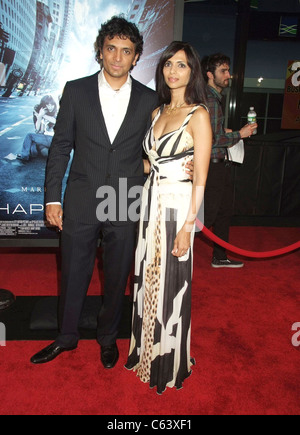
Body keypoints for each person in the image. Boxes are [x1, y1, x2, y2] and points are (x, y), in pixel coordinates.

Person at [30, 17, 192, 368]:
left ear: (136, 58)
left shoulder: (151, 99)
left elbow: (159, 148)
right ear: (100, 52)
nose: (118, 57)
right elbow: (60, 147)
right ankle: (66, 336)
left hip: (125, 196)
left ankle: (107, 339)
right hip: (82, 196)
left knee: (118, 274)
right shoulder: (76, 90)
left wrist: (183, 165)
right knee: (73, 271)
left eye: (127, 51)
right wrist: (52, 197)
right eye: (111, 48)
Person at [125, 41, 212, 394]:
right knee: (146, 276)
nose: (173, 71)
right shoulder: (156, 113)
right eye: (168, 65)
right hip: (149, 202)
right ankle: (145, 350)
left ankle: (168, 361)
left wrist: (188, 227)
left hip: (178, 206)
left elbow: (202, 176)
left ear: (192, 71)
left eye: (181, 65)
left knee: (172, 284)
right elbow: (150, 163)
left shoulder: (199, 114)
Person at [200, 53, 257, 268]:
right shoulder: (211, 100)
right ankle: (176, 251)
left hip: (218, 165)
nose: (228, 75)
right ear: (209, 74)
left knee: (223, 213)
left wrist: (227, 131)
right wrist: (239, 134)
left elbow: (210, 132)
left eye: (227, 70)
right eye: (223, 71)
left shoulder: (212, 98)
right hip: (212, 166)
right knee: (207, 217)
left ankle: (220, 256)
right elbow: (214, 139)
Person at [17, 95, 57, 162]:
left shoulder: (57, 112)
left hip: (55, 140)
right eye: (47, 105)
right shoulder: (42, 114)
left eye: (52, 105)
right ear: (44, 105)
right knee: (39, 152)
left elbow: (55, 121)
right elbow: (37, 129)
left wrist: (42, 115)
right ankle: (48, 153)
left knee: (29, 136)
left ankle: (24, 156)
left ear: (54, 105)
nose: (50, 107)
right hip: (46, 139)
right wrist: (39, 117)